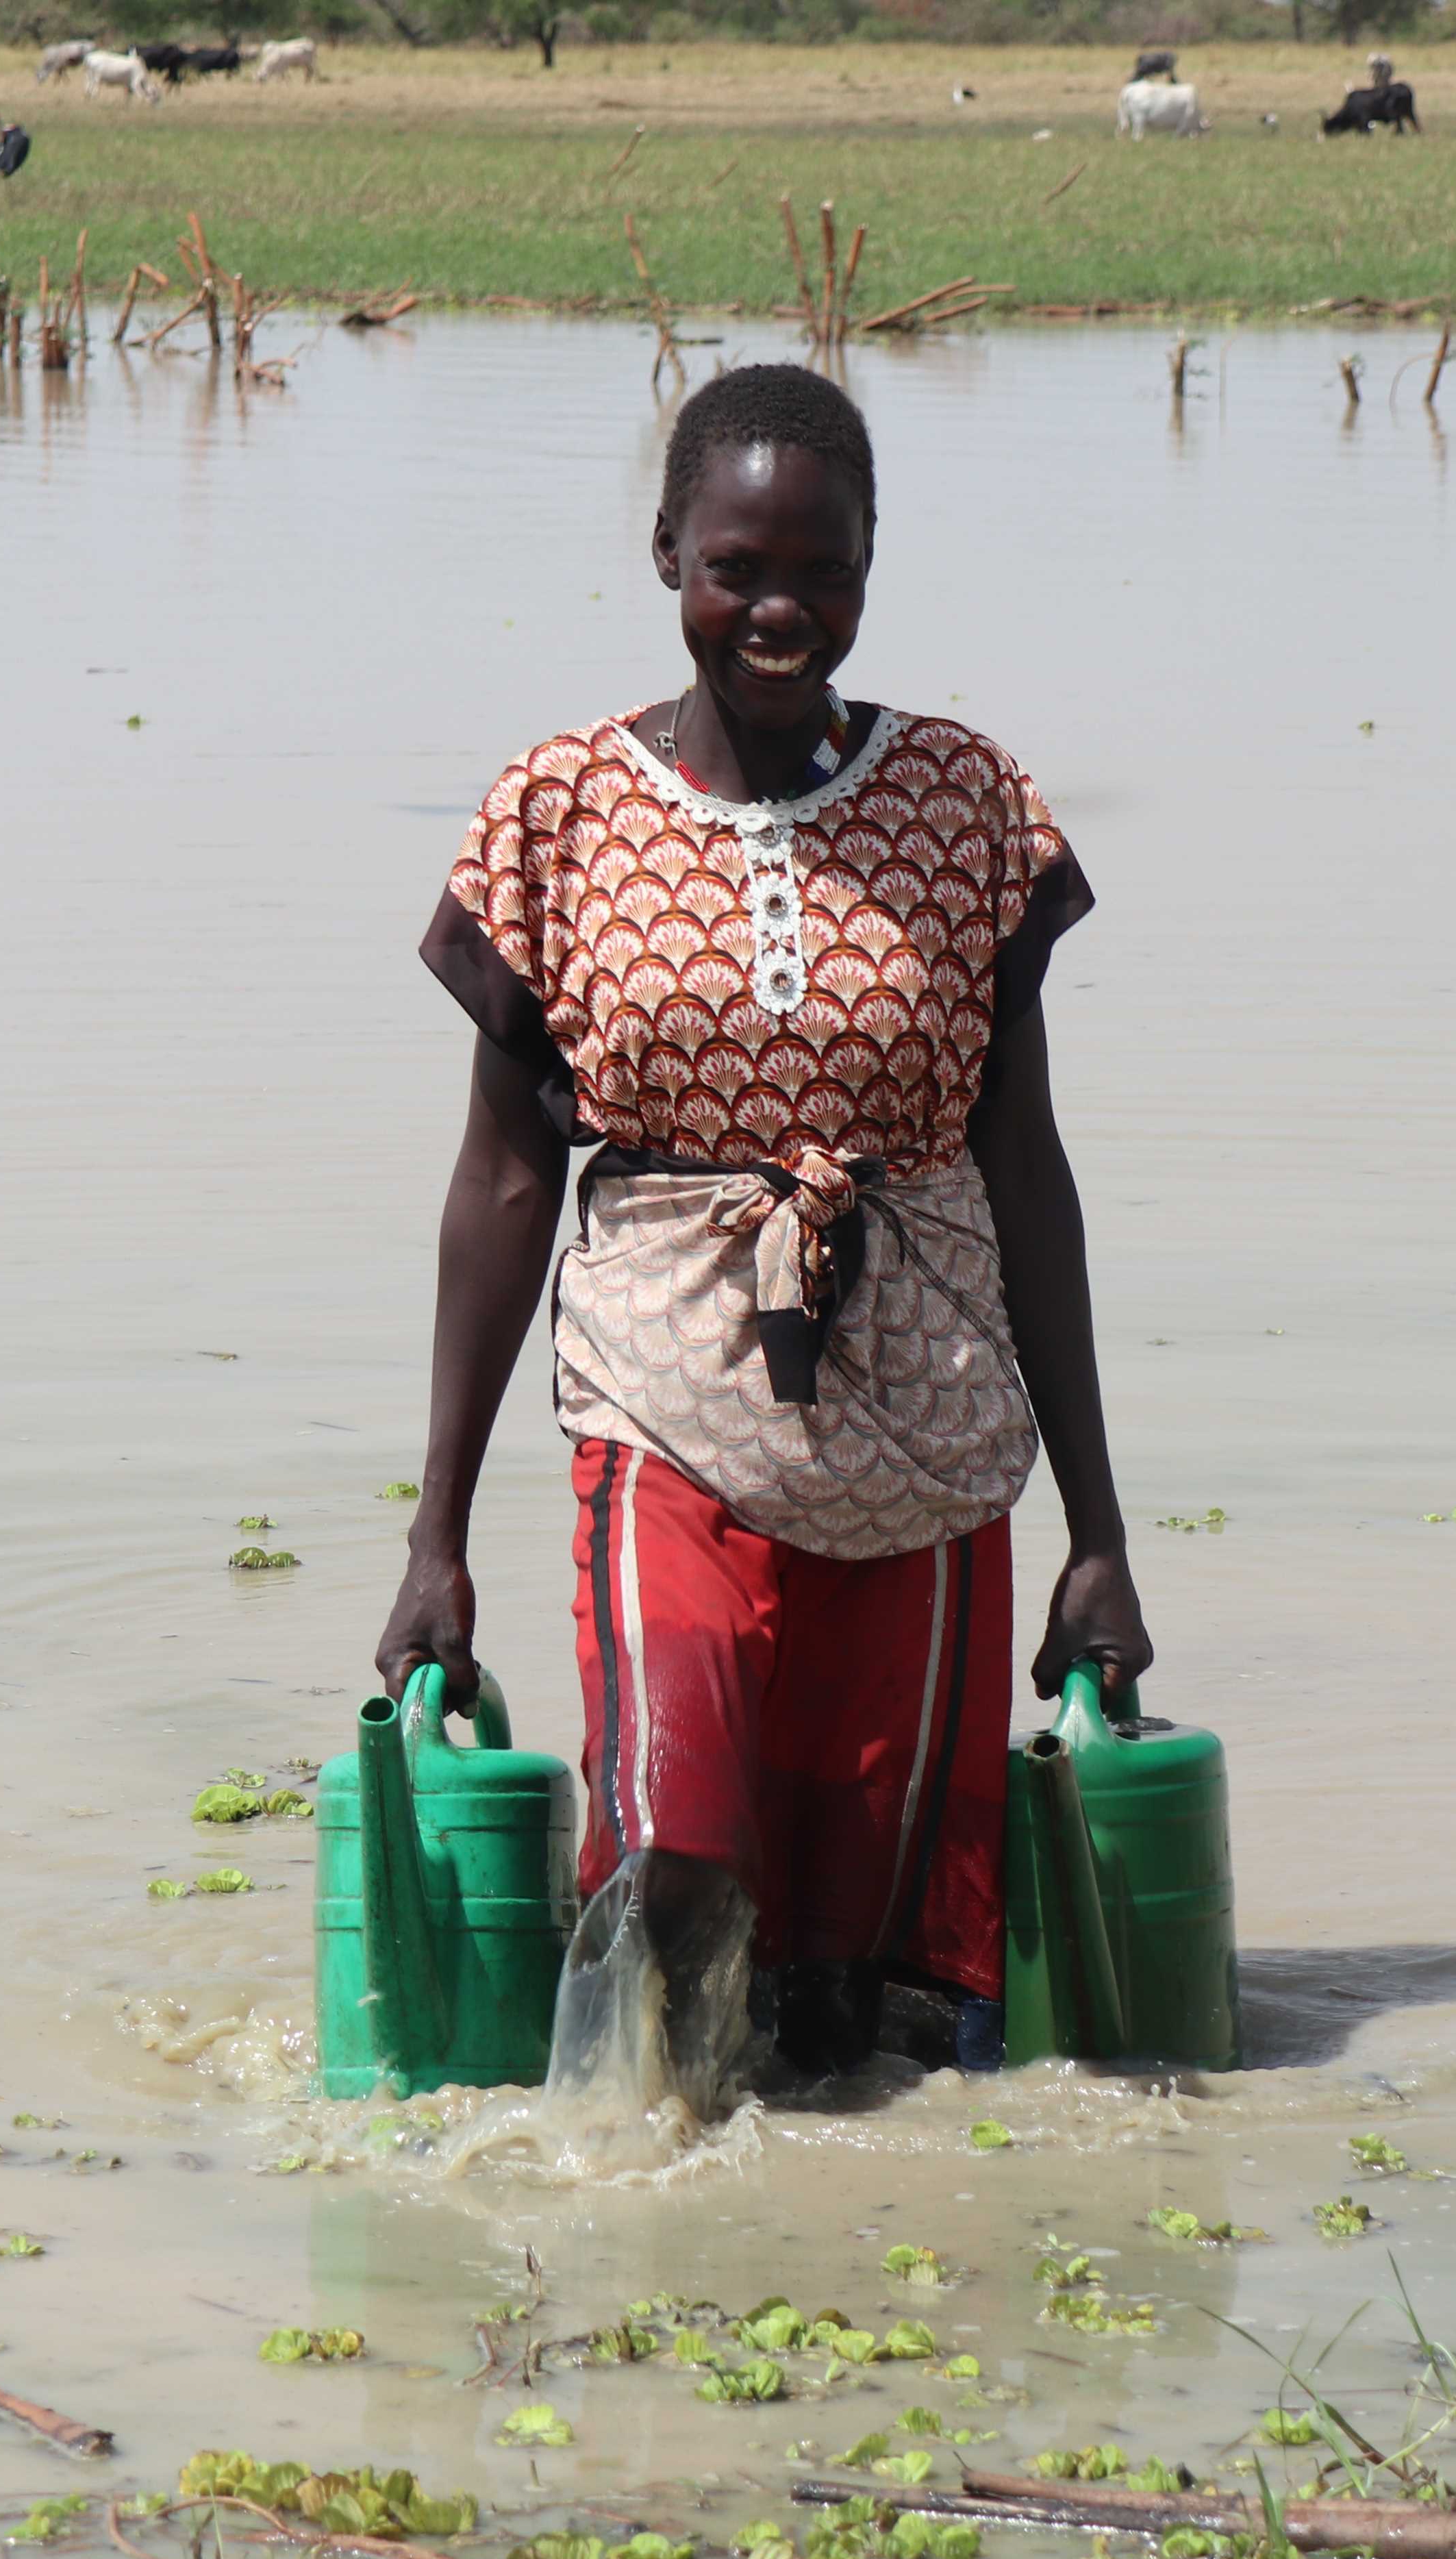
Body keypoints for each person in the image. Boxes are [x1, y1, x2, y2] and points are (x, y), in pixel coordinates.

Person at [375, 362, 1148, 2088]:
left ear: (875, 564)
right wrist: (434, 1533)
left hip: (924, 1410)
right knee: (675, 1858)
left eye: (825, 569)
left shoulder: (969, 807)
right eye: (740, 567)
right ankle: (632, 2227)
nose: (781, 611)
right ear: (667, 556)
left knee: (862, 1967)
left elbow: (1028, 1169)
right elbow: (503, 1180)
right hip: (664, 1381)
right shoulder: (556, 814)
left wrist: (1099, 1528)